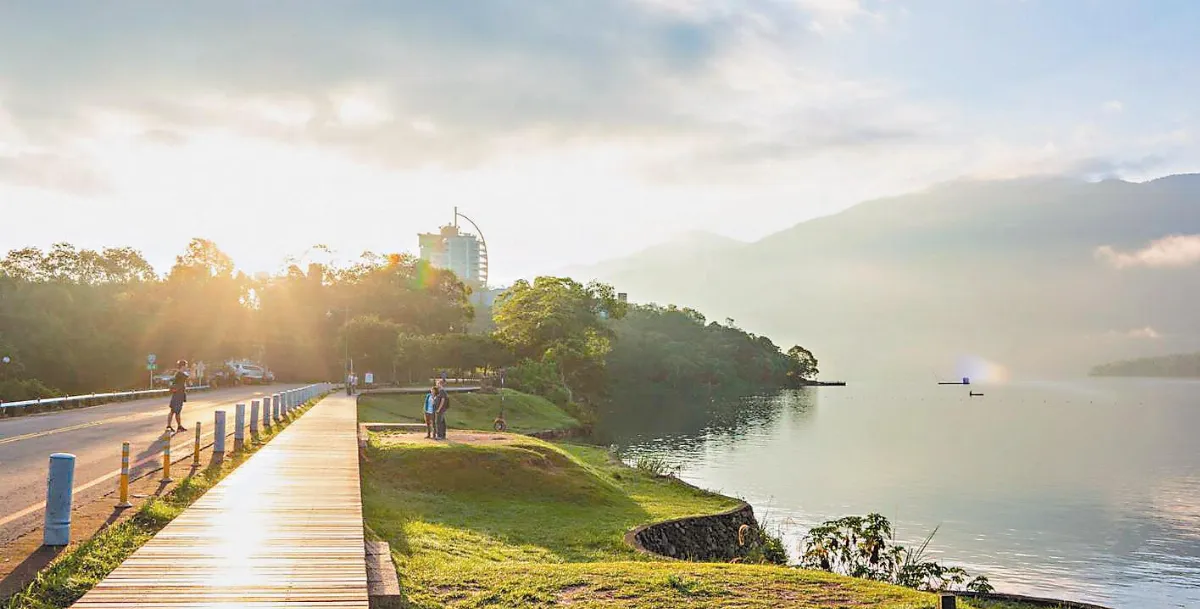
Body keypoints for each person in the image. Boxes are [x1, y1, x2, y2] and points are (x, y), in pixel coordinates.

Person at [165, 360, 189, 433]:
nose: (186, 367)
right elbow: (190, 376)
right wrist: (194, 368)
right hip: (178, 395)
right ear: (183, 366)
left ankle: (170, 426)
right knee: (177, 411)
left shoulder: (177, 374)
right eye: (186, 366)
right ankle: (178, 426)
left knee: (172, 411)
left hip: (176, 394)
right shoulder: (181, 374)